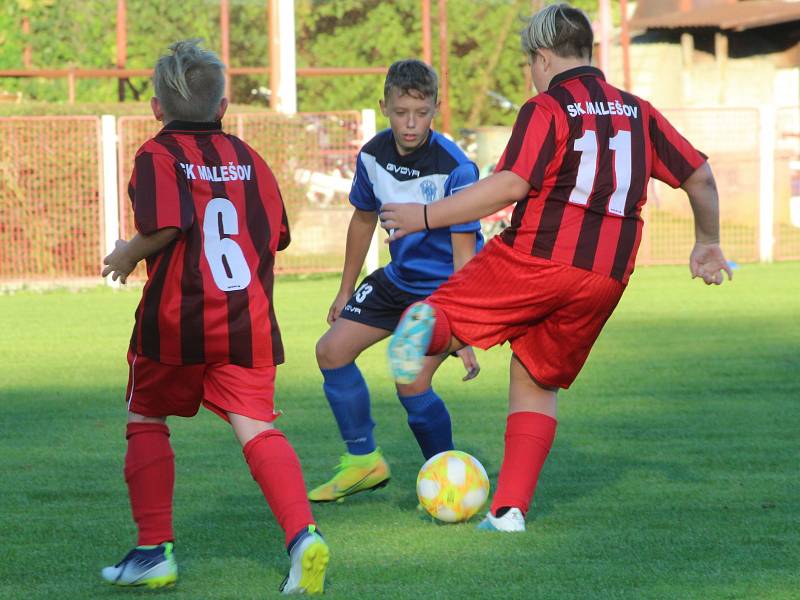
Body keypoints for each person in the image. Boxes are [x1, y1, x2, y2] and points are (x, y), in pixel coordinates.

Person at [380, 4, 732, 532]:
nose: (531, 74)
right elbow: (699, 176)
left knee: (443, 310)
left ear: (542, 57)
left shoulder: (547, 107)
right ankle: (509, 512)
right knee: (536, 381)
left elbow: (510, 185)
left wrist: (424, 215)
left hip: (538, 256)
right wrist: (708, 242)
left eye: (530, 64)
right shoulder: (639, 111)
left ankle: (428, 330)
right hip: (605, 278)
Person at [100, 40, 329, 594]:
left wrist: (128, 253)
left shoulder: (157, 155)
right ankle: (303, 537)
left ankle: (154, 550)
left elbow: (170, 223)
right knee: (258, 430)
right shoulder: (250, 158)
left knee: (146, 418)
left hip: (176, 323)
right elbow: (275, 236)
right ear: (223, 107)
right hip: (247, 322)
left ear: (157, 108)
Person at [308, 59, 483, 503]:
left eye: (421, 113)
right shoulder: (371, 154)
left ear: (436, 108)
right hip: (396, 279)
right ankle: (365, 462)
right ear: (384, 104)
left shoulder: (456, 168)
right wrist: (345, 287)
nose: (411, 123)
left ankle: (447, 477)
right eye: (402, 111)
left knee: (410, 380)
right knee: (331, 351)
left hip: (443, 292)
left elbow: (466, 254)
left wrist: (462, 328)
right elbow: (362, 219)